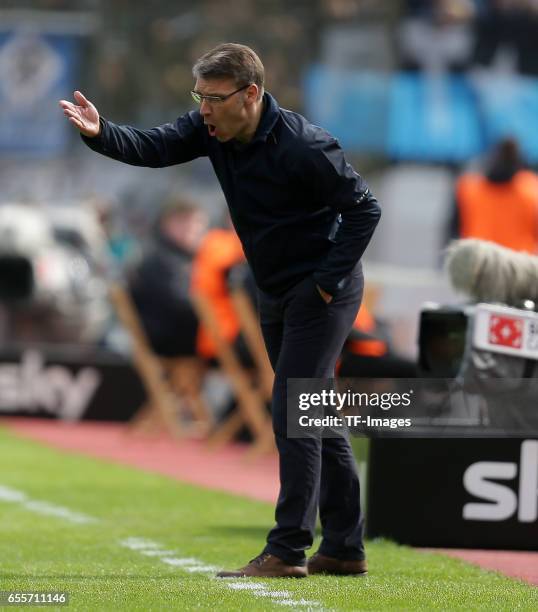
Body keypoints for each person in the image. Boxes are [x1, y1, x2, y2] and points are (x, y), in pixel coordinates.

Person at [59, 42, 381, 578]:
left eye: (213, 98)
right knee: (315, 413)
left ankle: (288, 550)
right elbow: (153, 146)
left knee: (294, 411)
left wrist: (324, 284)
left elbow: (365, 209)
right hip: (274, 287)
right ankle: (345, 547)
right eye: (199, 97)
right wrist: (100, 131)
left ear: (250, 94)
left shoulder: (305, 146)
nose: (203, 109)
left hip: (323, 291)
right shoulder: (213, 129)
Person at [128, 196, 208, 357]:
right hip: (168, 339)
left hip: (173, 336)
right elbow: (183, 303)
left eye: (199, 224)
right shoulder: (161, 259)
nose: (195, 229)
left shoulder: (182, 257)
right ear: (168, 224)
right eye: (187, 223)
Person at [448, 137, 538, 254]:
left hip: (480, 264)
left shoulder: (469, 187)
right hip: (515, 264)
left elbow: (453, 234)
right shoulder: (531, 189)